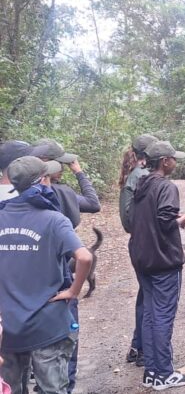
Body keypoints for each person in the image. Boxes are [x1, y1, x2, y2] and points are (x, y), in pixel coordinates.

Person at [0, 156, 93, 394]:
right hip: (47, 324)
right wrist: (73, 290)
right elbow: (84, 257)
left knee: (10, 388)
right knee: (52, 389)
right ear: (43, 181)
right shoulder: (54, 219)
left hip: (8, 326)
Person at [31, 139, 100, 394]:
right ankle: (63, 386)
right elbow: (94, 203)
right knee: (66, 334)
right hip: (59, 273)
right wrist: (79, 172)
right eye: (61, 163)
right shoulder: (65, 194)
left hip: (26, 277)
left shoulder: (15, 196)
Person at [129, 141, 185, 390]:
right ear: (165, 161)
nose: (176, 162)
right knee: (163, 316)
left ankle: (152, 372)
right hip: (163, 262)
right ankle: (164, 373)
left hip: (143, 259)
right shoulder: (166, 186)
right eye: (173, 158)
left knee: (150, 315)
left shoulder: (142, 184)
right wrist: (181, 219)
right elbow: (165, 218)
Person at [118, 133, 158, 367]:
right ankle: (144, 350)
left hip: (137, 241)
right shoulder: (143, 176)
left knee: (145, 296)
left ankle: (137, 346)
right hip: (146, 243)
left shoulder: (133, 174)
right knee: (151, 298)